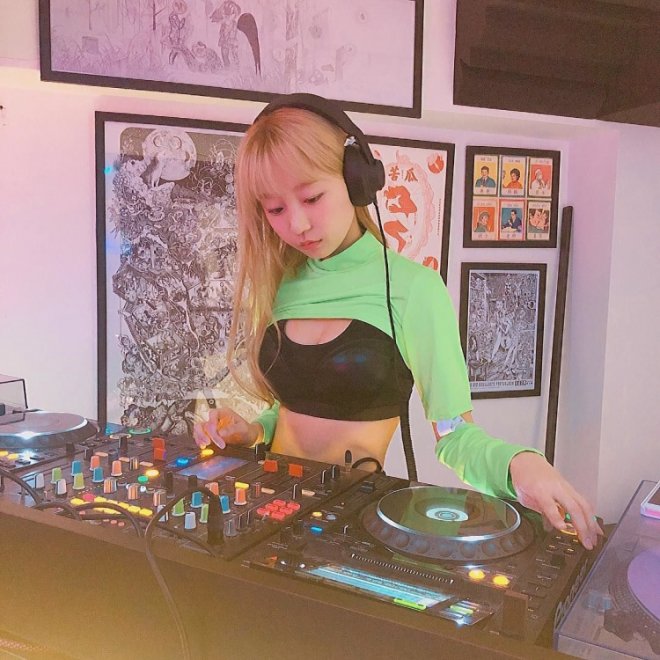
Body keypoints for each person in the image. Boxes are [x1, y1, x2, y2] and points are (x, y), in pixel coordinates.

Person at [193, 93, 601, 550]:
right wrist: (250, 431)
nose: (298, 224)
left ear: (356, 179)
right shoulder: (280, 285)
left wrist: (519, 464)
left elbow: (454, 435)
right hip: (262, 513)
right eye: (276, 209)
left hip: (349, 526)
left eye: (311, 197)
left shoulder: (414, 290)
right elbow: (292, 407)